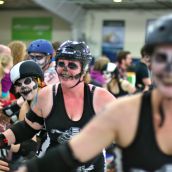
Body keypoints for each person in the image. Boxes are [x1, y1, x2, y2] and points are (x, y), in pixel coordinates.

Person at [16, 14, 172, 172]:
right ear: (150, 64)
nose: (168, 70)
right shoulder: (126, 109)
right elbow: (71, 153)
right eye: (161, 58)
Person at [0, 40, 115, 171]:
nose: (65, 69)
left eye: (72, 65)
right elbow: (26, 128)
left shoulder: (101, 98)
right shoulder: (46, 95)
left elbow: (128, 134)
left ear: (83, 69)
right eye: (61, 64)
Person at [0, 60, 44, 171]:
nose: (23, 87)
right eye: (18, 84)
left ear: (38, 81)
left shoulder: (53, 97)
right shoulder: (26, 106)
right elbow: (29, 145)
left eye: (27, 81)